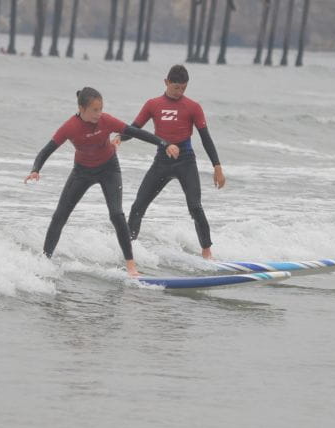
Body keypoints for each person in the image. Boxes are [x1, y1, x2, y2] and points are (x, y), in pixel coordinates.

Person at [25, 87, 179, 277]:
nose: (99, 114)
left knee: (116, 214)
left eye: (101, 109)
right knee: (59, 216)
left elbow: (135, 132)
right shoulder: (70, 127)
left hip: (109, 169)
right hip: (81, 172)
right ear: (82, 108)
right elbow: (47, 149)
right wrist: (35, 169)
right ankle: (44, 262)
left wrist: (164, 144)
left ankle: (131, 266)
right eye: (94, 110)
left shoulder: (106, 120)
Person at [119, 64, 225, 260]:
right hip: (161, 161)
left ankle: (207, 252)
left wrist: (217, 166)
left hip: (186, 162)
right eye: (176, 87)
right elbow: (135, 128)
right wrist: (118, 138)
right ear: (166, 82)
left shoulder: (193, 107)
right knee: (138, 206)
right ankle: (129, 251)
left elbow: (206, 138)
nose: (179, 92)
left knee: (195, 206)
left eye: (183, 88)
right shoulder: (153, 104)